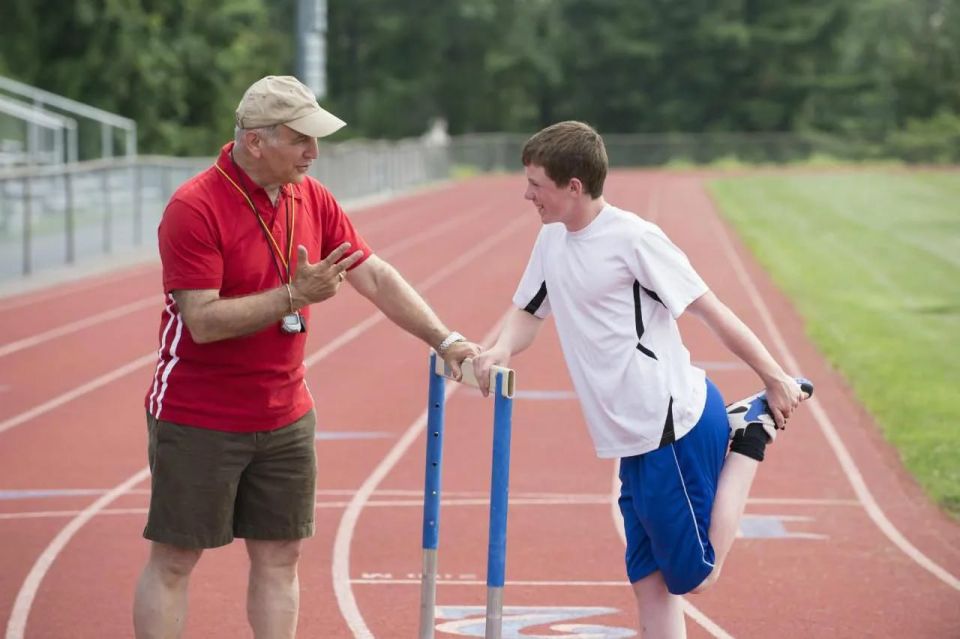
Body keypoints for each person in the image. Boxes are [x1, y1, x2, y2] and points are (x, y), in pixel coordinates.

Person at [133, 75, 480, 639]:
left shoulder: (311, 197)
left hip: (285, 412)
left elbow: (373, 274)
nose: (315, 153)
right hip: (200, 415)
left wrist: (446, 340)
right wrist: (294, 296)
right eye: (302, 140)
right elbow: (202, 320)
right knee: (176, 558)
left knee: (281, 555)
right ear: (256, 143)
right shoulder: (194, 207)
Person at [473, 121, 807, 638]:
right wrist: (498, 349)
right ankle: (743, 428)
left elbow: (711, 311)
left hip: (672, 422)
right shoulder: (550, 240)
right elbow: (528, 313)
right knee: (649, 584)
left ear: (574, 187)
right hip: (631, 435)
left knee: (697, 578)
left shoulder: (634, 239)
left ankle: (750, 435)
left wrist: (774, 376)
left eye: (536, 184)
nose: (526, 194)